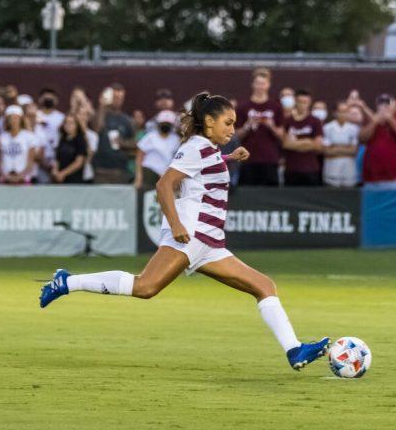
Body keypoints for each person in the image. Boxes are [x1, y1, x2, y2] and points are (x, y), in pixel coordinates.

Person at [39, 92, 330, 371]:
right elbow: (164, 184)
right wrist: (177, 224)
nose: (233, 129)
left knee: (264, 285)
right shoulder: (196, 146)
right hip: (191, 234)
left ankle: (294, 349)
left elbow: (198, 168)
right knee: (145, 287)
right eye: (228, 123)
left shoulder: (206, 149)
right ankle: (67, 282)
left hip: (210, 243)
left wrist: (228, 158)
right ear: (209, 122)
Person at [238, 68, 284, 186]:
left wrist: (271, 126)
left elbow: (282, 134)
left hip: (269, 159)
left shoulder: (276, 107)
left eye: (263, 83)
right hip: (248, 158)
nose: (260, 87)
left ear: (268, 85)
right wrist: (247, 126)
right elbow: (236, 135)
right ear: (253, 85)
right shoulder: (243, 107)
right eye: (258, 83)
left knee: (270, 193)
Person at [91, 83, 137, 184]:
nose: (118, 100)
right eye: (115, 97)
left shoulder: (127, 120)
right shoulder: (100, 115)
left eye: (121, 97)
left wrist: (122, 143)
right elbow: (96, 129)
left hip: (119, 171)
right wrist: (102, 105)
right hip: (100, 170)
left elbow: (135, 144)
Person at [360, 94, 396, 188]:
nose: (384, 107)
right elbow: (362, 138)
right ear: (377, 107)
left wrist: (390, 119)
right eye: (381, 104)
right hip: (372, 177)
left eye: (387, 104)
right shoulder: (369, 121)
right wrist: (374, 122)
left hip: (395, 177)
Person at [282, 89, 324, 186]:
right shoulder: (288, 121)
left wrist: (295, 143)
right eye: (300, 102)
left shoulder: (315, 121)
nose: (302, 105)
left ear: (309, 103)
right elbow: (286, 144)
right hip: (292, 169)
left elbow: (318, 146)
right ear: (295, 102)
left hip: (311, 169)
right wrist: (308, 141)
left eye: (305, 102)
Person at [135, 110, 181, 190]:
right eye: (163, 123)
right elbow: (139, 156)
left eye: (168, 124)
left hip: (165, 175)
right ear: (158, 124)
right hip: (149, 173)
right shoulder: (150, 137)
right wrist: (139, 176)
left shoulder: (176, 140)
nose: (165, 125)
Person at [322, 101, 360, 188]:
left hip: (349, 172)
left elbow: (353, 151)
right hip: (331, 170)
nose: (343, 114)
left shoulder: (354, 129)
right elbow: (327, 151)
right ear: (335, 113)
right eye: (341, 111)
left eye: (346, 111)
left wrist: (335, 147)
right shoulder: (327, 128)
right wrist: (346, 148)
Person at [0, 105, 38, 185]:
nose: (13, 121)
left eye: (16, 118)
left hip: (23, 179)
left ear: (21, 119)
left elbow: (31, 161)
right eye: (10, 118)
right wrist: (6, 177)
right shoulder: (2, 137)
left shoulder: (29, 137)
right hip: (5, 180)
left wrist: (19, 177)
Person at [51, 114, 89, 185]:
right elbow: (57, 158)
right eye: (66, 123)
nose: (68, 125)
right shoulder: (62, 139)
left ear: (77, 125)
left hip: (74, 180)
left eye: (71, 123)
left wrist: (63, 173)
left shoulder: (80, 140)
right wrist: (55, 171)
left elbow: (78, 162)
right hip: (60, 180)